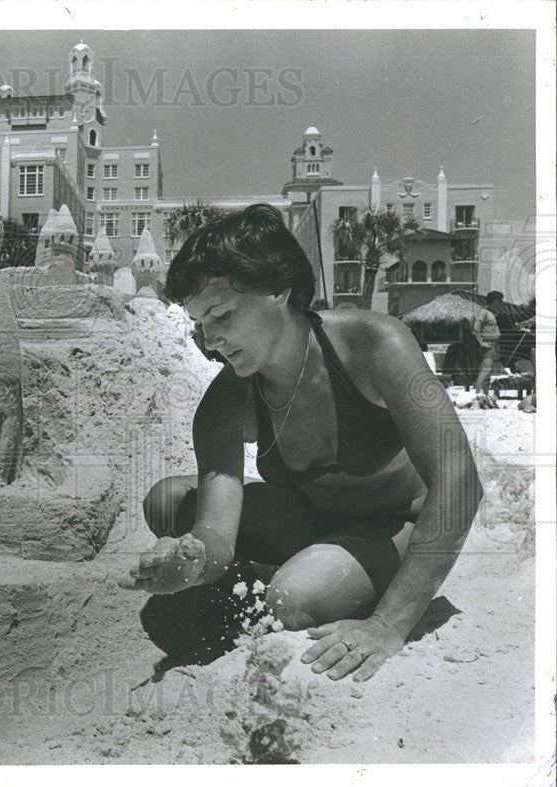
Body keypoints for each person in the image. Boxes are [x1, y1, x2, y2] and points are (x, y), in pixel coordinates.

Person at [120, 204, 482, 683]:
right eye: (199, 324)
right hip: (310, 521)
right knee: (167, 502)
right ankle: (323, 567)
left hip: (395, 525)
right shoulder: (225, 402)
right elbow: (217, 533)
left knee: (292, 600)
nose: (210, 341)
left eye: (221, 315)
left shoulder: (374, 344)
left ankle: (335, 577)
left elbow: (459, 482)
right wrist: (190, 564)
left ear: (279, 288)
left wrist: (389, 624)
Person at [472, 291, 504, 396]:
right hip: (488, 343)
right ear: (495, 301)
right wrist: (481, 342)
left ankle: (484, 394)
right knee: (486, 369)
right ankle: (477, 394)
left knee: (489, 371)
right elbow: (476, 328)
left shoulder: (491, 313)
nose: (501, 303)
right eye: (500, 301)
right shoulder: (484, 312)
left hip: (494, 343)